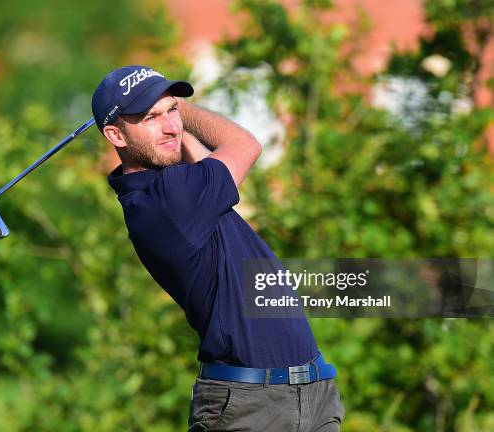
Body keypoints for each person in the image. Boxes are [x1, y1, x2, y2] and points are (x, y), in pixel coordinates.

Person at [92, 65, 345, 431]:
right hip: (250, 407)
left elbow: (199, 161)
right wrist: (183, 108)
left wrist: (168, 116)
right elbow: (245, 145)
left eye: (172, 111)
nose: (170, 127)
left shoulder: (177, 190)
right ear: (115, 134)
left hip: (313, 394)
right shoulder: (167, 199)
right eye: (150, 117)